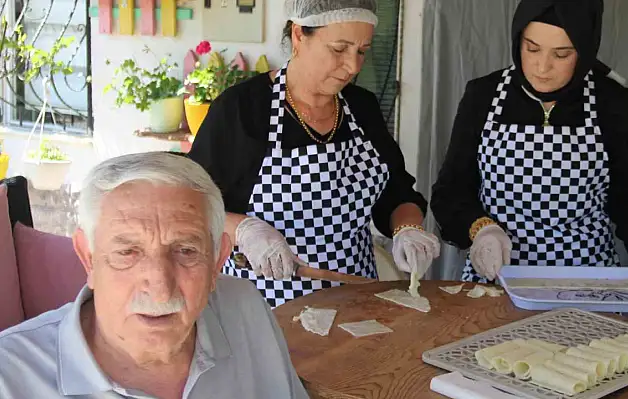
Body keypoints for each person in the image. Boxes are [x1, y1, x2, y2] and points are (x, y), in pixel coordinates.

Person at [188, 0, 440, 307]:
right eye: (339, 48)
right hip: (263, 305)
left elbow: (396, 193)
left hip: (354, 297)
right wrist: (245, 229)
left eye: (362, 51)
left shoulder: (362, 107)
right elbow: (193, 202)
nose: (353, 66)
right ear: (298, 36)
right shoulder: (242, 109)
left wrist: (408, 228)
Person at [0, 153, 309, 399]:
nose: (161, 291)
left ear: (217, 261)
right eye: (127, 252)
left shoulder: (244, 308)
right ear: (88, 258)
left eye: (186, 251)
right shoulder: (9, 377)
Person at [431, 0, 628, 282]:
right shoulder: (484, 95)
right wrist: (482, 229)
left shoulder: (608, 101)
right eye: (532, 48)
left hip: (588, 278)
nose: (542, 67)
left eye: (561, 55)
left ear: (584, 53)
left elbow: (625, 192)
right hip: (499, 276)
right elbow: (451, 190)